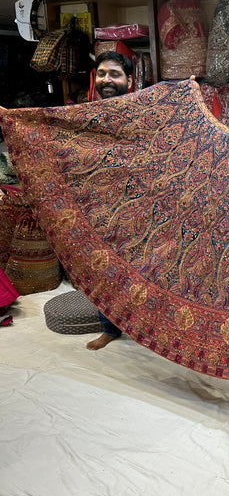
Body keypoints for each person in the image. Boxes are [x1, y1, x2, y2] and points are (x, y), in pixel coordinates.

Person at [85, 51, 133, 350]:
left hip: (143, 206)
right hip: (101, 206)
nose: (107, 80)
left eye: (114, 74)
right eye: (102, 73)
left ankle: (154, 330)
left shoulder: (146, 111)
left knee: (149, 271)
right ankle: (110, 328)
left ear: (129, 79)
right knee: (103, 270)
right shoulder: (83, 117)